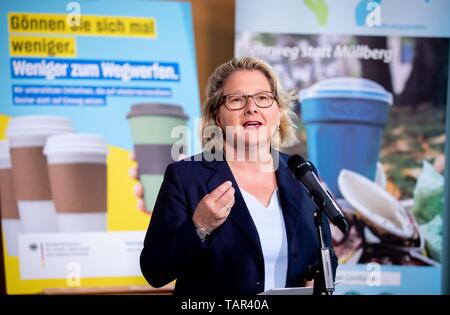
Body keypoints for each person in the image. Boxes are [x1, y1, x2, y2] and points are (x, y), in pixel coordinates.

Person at [139, 57, 338, 295]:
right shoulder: (186, 177)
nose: (251, 108)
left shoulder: (302, 173)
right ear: (218, 117)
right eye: (236, 100)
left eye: (263, 98)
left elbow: (325, 256)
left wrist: (314, 280)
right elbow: (154, 270)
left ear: (279, 113)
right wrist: (200, 226)